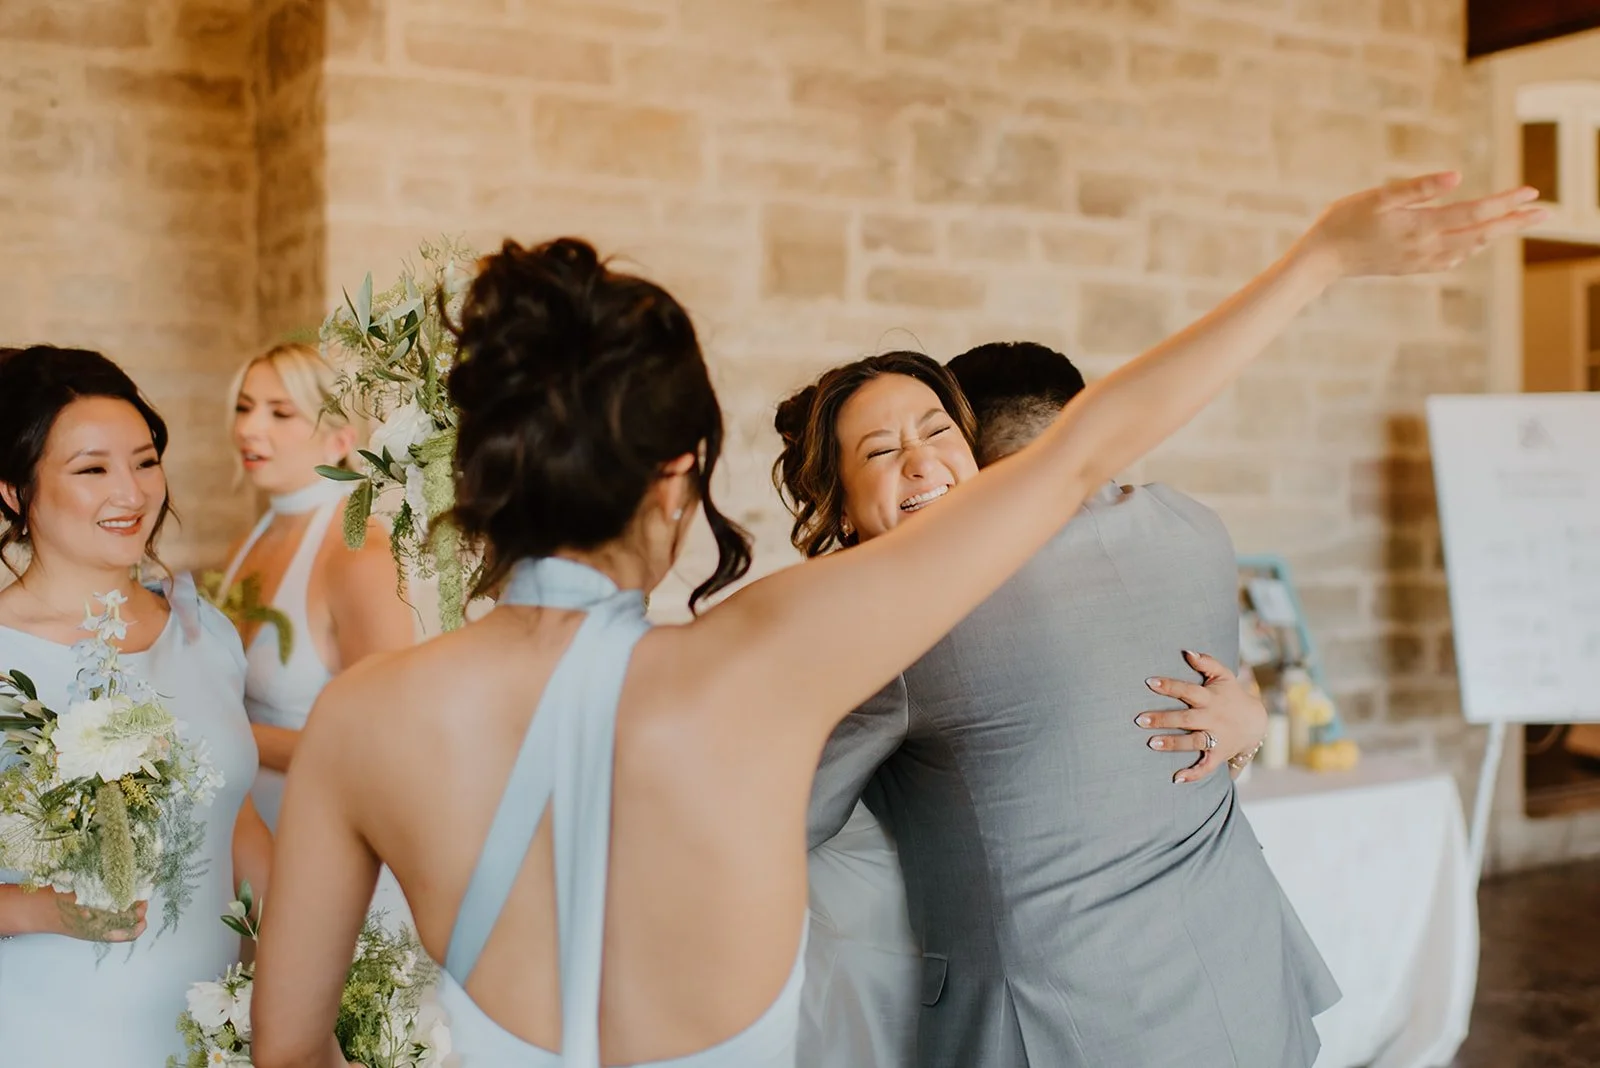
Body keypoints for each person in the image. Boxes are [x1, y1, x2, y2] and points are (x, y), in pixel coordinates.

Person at [249, 174, 1541, 1068]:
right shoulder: (774, 655)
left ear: (472, 468)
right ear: (680, 473)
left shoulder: (362, 722)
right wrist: (1322, 256)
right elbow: (1082, 454)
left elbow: (288, 1050)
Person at [784, 341, 1333, 1067]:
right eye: (883, 450)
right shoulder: (1193, 524)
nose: (922, 463)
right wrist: (1250, 726)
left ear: (977, 451)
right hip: (1243, 980)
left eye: (939, 431)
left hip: (1062, 1026)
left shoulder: (907, 623)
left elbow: (785, 820)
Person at [0, 345, 265, 1065]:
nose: (132, 492)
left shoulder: (202, 629)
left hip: (206, 1036)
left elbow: (236, 820)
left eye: (145, 462)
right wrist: (39, 908)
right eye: (92, 469)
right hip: (48, 1037)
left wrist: (309, 979)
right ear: (15, 492)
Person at [220, 341, 414, 921]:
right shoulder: (246, 543)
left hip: (330, 859)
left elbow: (381, 747)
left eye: (280, 412)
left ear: (340, 441)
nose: (249, 428)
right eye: (244, 407)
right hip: (247, 852)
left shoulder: (360, 554)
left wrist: (216, 734)